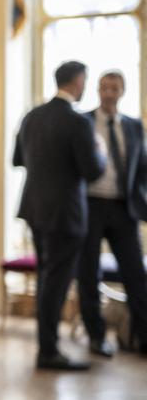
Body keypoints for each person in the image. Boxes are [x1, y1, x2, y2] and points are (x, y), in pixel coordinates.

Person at [13, 60, 106, 370]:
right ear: (78, 81)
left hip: (34, 208)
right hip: (65, 213)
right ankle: (48, 350)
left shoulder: (31, 116)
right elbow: (92, 171)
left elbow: (18, 160)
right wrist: (101, 151)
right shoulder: (79, 123)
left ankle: (47, 345)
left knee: (46, 278)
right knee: (56, 281)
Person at [77, 70, 147, 357]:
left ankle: (143, 336)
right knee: (88, 272)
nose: (108, 92)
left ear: (122, 91)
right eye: (104, 87)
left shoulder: (133, 126)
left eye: (114, 88)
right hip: (90, 205)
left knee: (136, 273)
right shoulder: (84, 122)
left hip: (123, 207)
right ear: (97, 90)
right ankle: (96, 336)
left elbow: (141, 167)